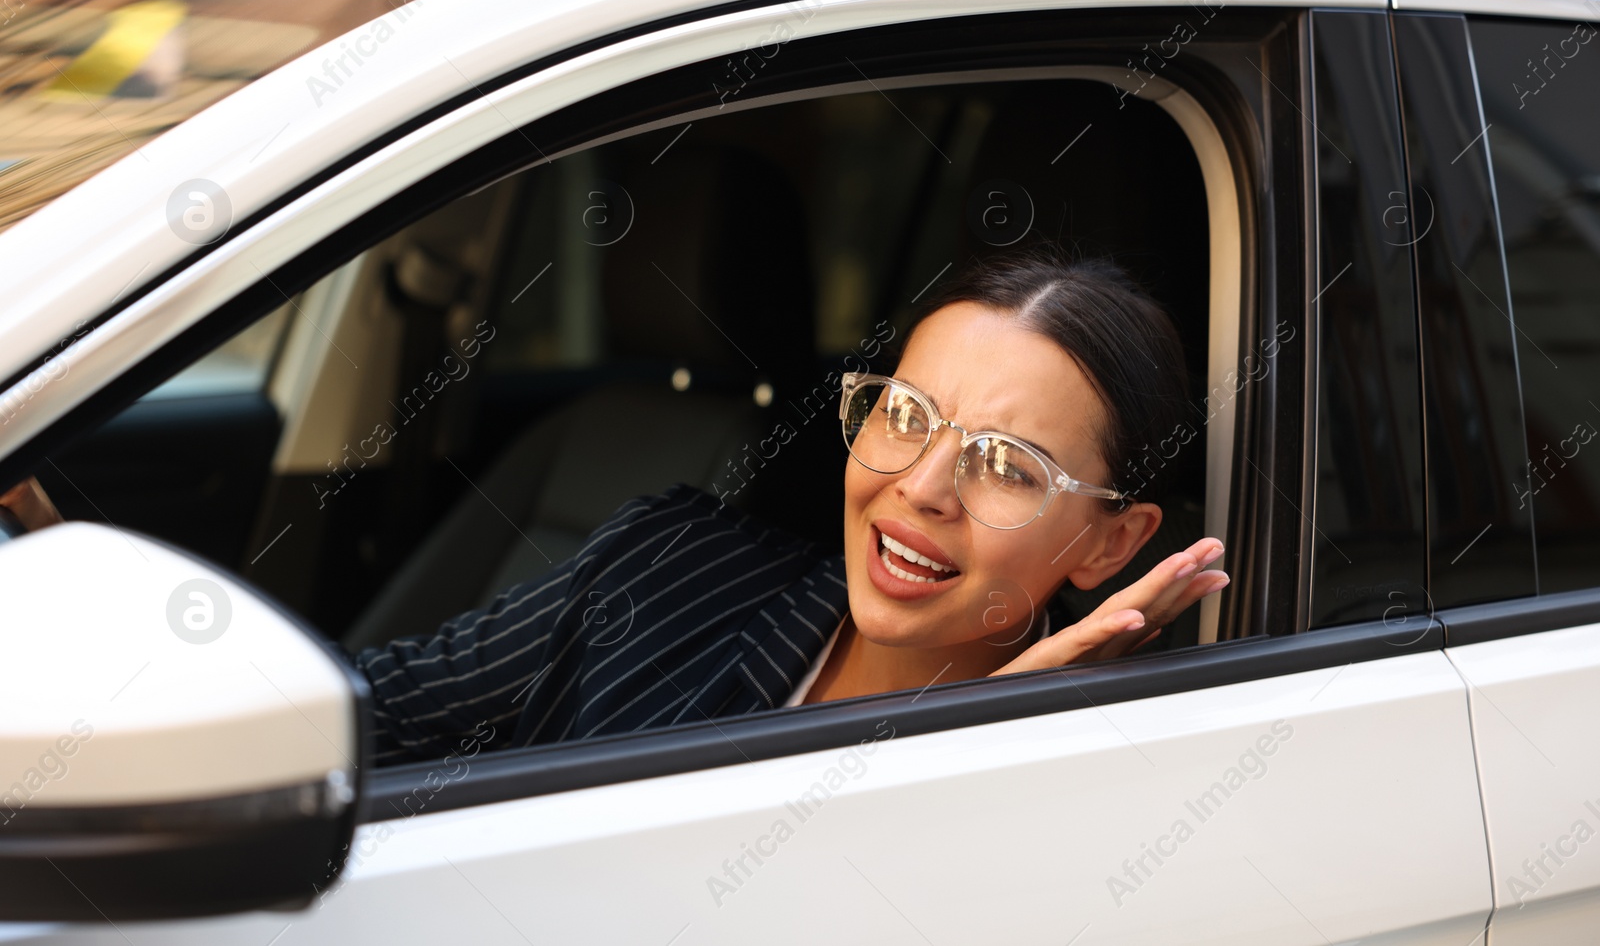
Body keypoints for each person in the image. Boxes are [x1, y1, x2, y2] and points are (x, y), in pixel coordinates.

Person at [0, 250, 1229, 767]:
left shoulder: (1115, 770)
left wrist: (982, 729)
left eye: (1007, 464)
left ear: (1110, 543)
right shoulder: (664, 563)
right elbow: (357, 719)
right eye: (902, 414)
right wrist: (67, 574)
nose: (919, 487)